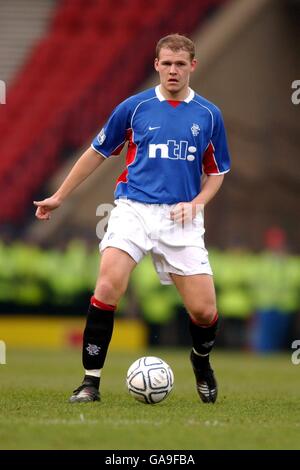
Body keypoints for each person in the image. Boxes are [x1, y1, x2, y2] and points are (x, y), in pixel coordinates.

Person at [34, 34, 231, 404]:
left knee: (205, 312)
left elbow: (217, 172)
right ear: (156, 65)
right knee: (107, 287)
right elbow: (95, 153)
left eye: (180, 63)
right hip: (132, 210)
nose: (173, 70)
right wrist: (60, 196)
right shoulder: (134, 107)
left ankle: (201, 361)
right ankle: (90, 382)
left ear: (193, 66)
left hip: (181, 218)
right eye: (167, 63)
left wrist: (198, 203)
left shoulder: (208, 115)